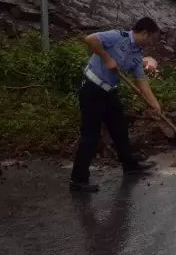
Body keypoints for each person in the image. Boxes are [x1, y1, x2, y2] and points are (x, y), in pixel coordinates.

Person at [70, 17, 163, 193]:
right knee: (91, 135)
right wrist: (106, 58)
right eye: (151, 39)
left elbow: (142, 82)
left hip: (109, 92)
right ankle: (78, 180)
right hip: (92, 88)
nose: (151, 43)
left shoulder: (137, 54)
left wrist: (154, 104)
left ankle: (130, 166)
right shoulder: (116, 36)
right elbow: (90, 39)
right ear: (144, 33)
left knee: (120, 128)